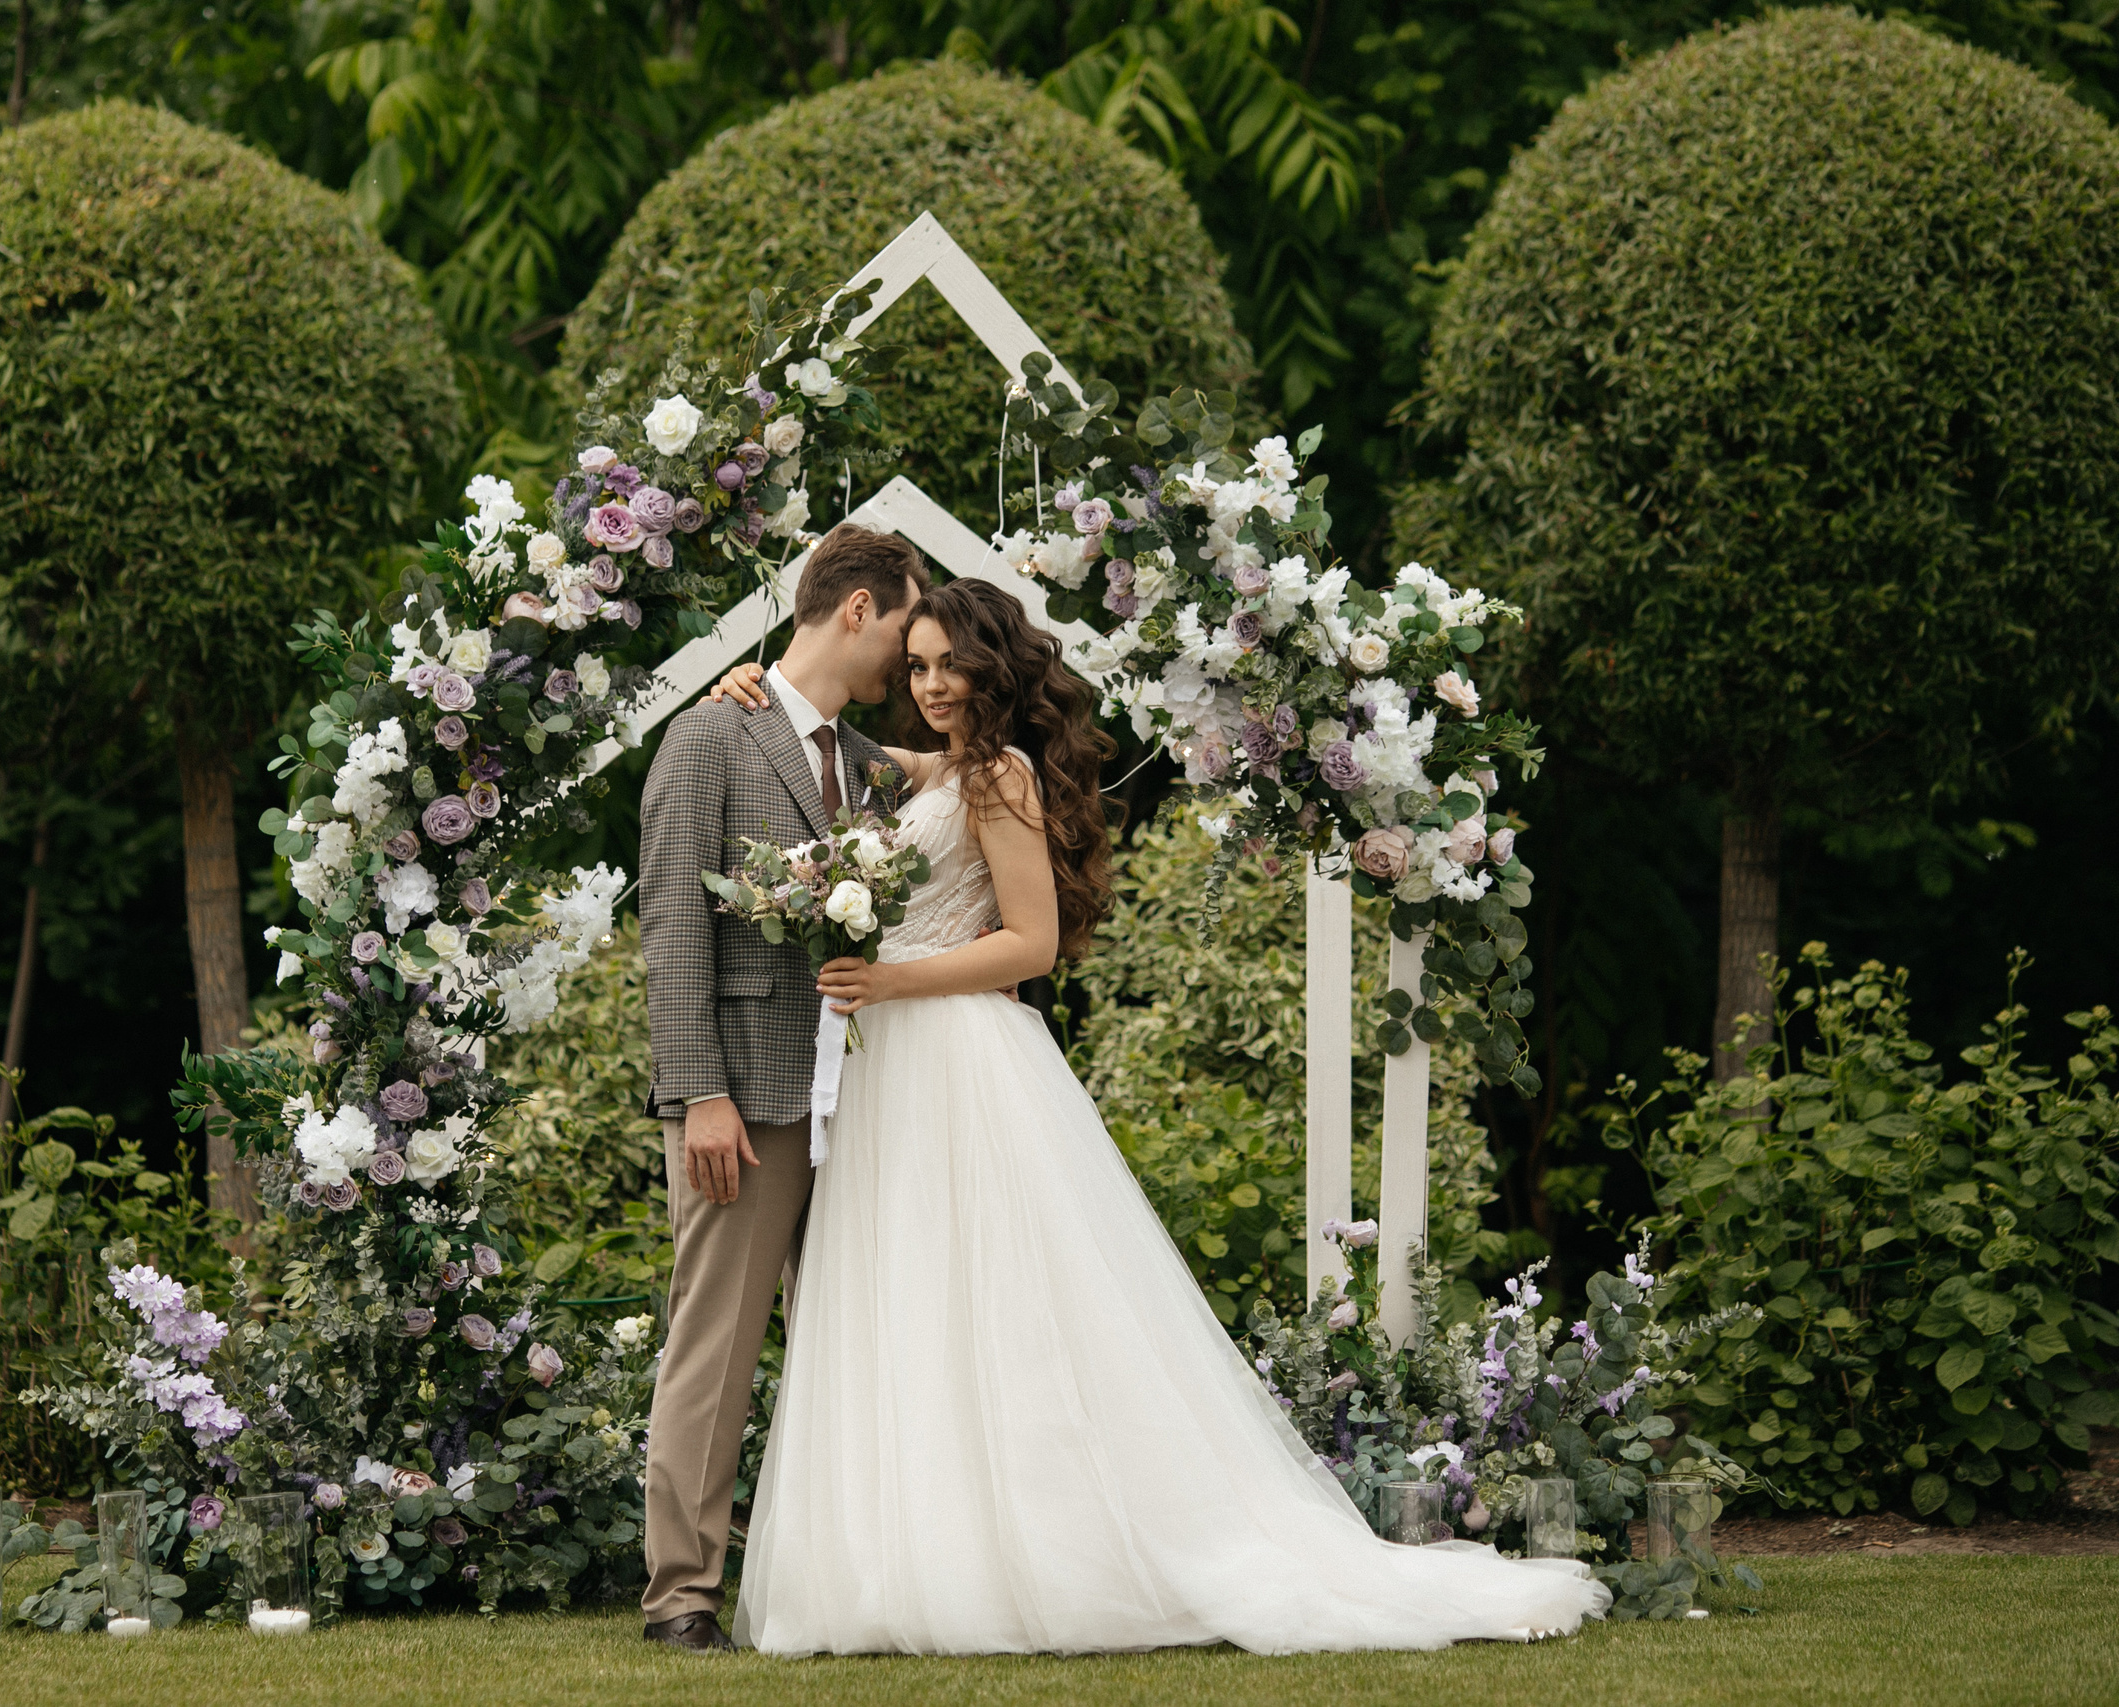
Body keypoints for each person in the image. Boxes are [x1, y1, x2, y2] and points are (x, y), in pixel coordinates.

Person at [699, 578, 1612, 1656]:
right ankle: (919, 1553)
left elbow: (1032, 944)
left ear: (993, 667)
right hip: (892, 1068)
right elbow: (828, 739)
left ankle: (1026, 1554)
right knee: (913, 1296)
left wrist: (889, 980)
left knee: (997, 1300)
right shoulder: (937, 769)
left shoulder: (1001, 775)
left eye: (951, 665)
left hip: (955, 1055)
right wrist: (753, 686)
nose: (932, 684)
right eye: (918, 666)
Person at [635, 522, 931, 1653]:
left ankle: (838, 1581)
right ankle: (681, 1595)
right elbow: (672, 926)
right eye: (905, 629)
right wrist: (697, 1095)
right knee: (713, 1348)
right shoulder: (708, 737)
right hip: (744, 1106)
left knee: (851, 1338)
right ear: (858, 609)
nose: (910, 658)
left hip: (859, 1102)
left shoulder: (870, 767)